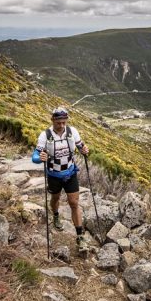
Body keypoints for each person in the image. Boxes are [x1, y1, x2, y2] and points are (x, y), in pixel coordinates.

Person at [31, 106, 90, 252]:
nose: (62, 125)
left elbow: (81, 146)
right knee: (55, 199)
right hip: (54, 175)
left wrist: (85, 150)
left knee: (74, 203)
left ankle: (80, 236)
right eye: (59, 123)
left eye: (64, 122)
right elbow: (35, 156)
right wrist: (40, 158)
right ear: (52, 120)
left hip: (70, 173)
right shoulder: (45, 135)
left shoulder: (72, 132)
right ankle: (56, 215)